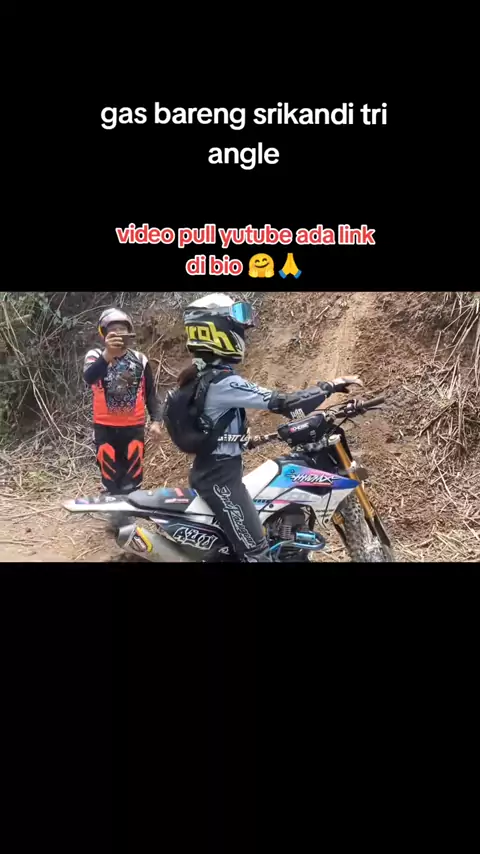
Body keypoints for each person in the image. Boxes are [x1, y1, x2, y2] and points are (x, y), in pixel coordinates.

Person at [168, 293, 361, 563]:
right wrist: (329, 386)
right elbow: (287, 404)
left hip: (215, 474)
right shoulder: (223, 383)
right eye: (238, 330)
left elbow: (220, 431)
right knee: (256, 554)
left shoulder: (202, 378)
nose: (243, 336)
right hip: (221, 481)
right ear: (218, 332)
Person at [83, 308, 163, 495]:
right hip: (105, 428)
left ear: (130, 333)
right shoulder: (95, 356)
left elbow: (150, 393)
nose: (118, 334)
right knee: (110, 475)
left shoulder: (140, 359)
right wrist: (108, 355)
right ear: (103, 334)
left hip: (133, 427)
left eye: (122, 329)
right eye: (113, 330)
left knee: (133, 477)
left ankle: (131, 505)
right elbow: (89, 377)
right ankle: (113, 506)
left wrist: (156, 421)